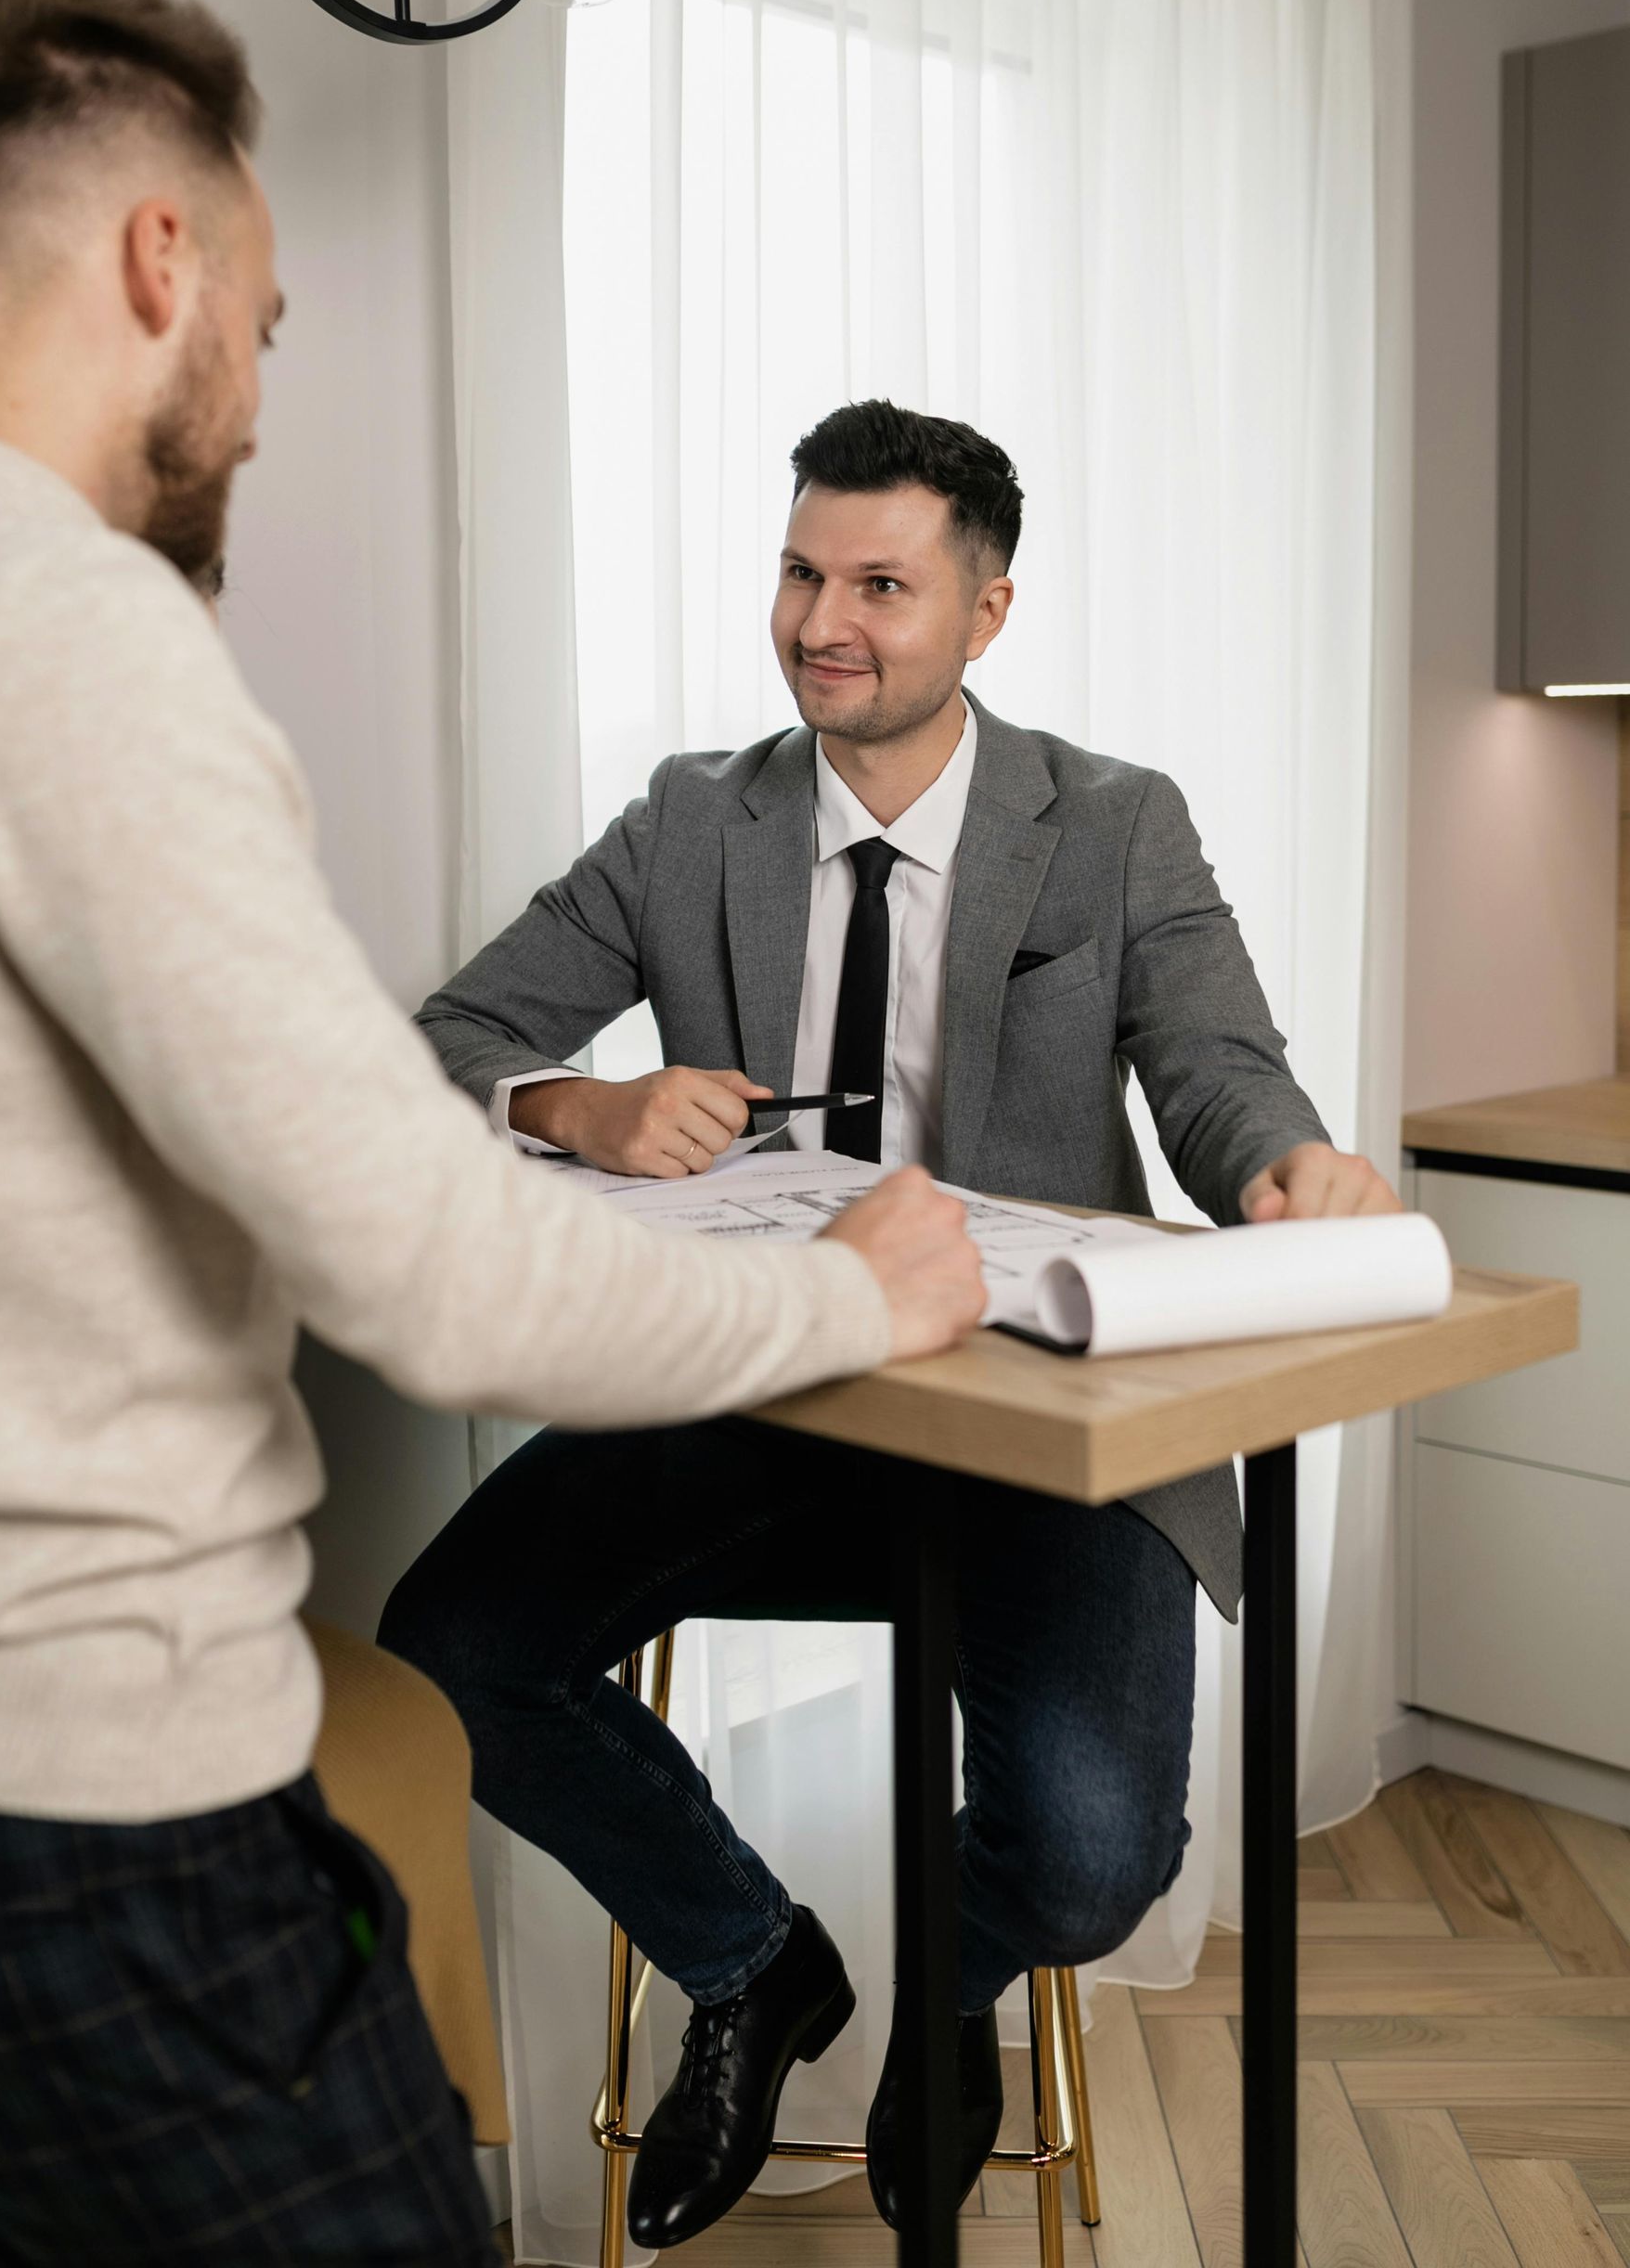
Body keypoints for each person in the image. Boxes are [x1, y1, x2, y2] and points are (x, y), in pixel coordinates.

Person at [0, 0, 987, 2268]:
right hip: (78, 1815)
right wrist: (829, 1285)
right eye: (264, 324)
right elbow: (438, 1263)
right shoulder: (68, 632)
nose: (257, 398)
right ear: (166, 258)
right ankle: (772, 1964)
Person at [385, 399, 1402, 2245]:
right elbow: (443, 1040)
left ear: (987, 614)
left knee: (1096, 1869)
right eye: (799, 570)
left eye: (879, 583)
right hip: (760, 1388)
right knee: (453, 1641)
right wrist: (573, 1106)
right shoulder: (694, 819)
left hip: (1035, 1427)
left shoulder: (1109, 827)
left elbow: (1222, 1069)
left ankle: (942, 1985)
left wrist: (1289, 1173)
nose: (819, 620)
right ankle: (757, 1964)